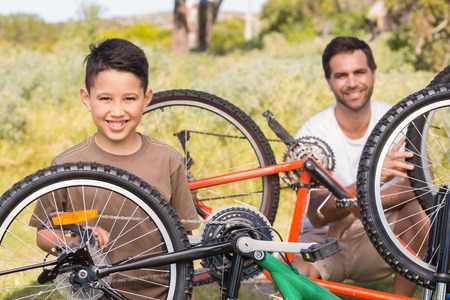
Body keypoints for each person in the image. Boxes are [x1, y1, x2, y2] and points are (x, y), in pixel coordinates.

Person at [29, 38, 199, 299]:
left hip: (165, 292)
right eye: (105, 98)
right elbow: (44, 234)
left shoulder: (166, 159)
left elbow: (184, 236)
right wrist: (79, 240)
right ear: (87, 99)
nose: (117, 111)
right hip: (96, 291)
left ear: (146, 99)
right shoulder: (66, 165)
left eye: (129, 98)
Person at [293, 36, 428, 297]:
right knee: (291, 278)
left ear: (374, 74)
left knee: (420, 214)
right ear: (329, 81)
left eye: (359, 72)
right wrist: (373, 179)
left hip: (383, 235)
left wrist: (350, 208)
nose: (352, 83)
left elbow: (426, 192)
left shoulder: (399, 122)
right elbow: (318, 214)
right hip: (325, 239)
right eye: (342, 75)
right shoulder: (312, 133)